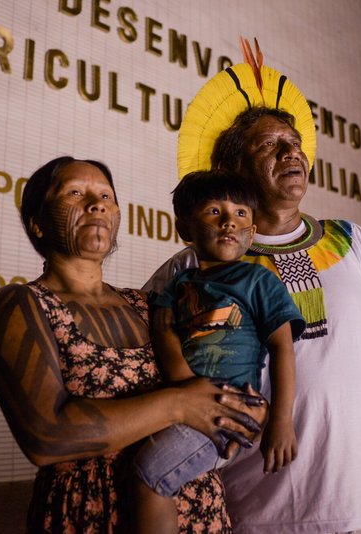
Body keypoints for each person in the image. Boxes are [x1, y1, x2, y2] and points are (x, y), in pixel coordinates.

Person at [145, 45, 361, 534]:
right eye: (269, 145)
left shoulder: (353, 242)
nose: (291, 152)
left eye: (293, 143)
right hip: (247, 513)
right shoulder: (194, 264)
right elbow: (137, 352)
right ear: (234, 170)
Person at [0, 156, 266, 533]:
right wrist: (178, 405)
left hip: (199, 512)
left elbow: (212, 383)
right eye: (75, 193)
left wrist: (244, 411)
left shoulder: (148, 305)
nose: (97, 204)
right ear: (37, 223)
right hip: (91, 515)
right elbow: (47, 435)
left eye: (106, 195)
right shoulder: (21, 304)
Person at [132, 170, 305, 532]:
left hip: (229, 411)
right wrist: (185, 386)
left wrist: (281, 421)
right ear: (185, 229)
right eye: (214, 211)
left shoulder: (259, 281)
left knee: (148, 472)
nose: (229, 221)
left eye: (241, 213)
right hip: (185, 403)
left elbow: (283, 349)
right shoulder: (177, 283)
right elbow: (163, 332)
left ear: (252, 232)